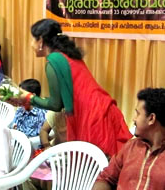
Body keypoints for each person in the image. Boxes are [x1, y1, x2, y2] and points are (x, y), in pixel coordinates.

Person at [17, 19, 132, 157]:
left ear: (40, 41)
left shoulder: (53, 60)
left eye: (32, 39)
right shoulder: (66, 54)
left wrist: (28, 97)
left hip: (90, 116)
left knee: (91, 170)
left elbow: (56, 104)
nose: (31, 44)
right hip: (101, 109)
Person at [92, 88, 165, 190]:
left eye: (138, 113)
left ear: (151, 118)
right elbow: (105, 178)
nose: (134, 119)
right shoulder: (130, 147)